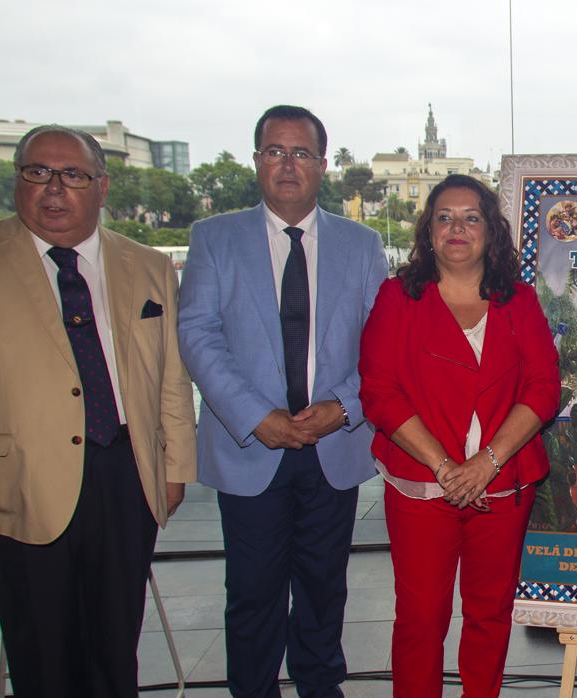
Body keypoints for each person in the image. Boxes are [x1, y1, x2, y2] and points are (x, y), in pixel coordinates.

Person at [0, 125, 196, 696]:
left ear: (101, 187)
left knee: (116, 646)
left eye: (72, 175)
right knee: (44, 653)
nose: (53, 188)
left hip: (126, 477)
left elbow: (171, 376)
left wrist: (176, 466)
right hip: (18, 485)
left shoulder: (148, 265)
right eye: (37, 172)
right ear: (18, 180)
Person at [178, 105, 386, 698]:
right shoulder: (214, 238)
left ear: (322, 164)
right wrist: (254, 416)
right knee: (252, 592)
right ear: (256, 162)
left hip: (334, 446)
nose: (287, 164)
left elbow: (381, 343)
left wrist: (345, 407)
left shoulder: (362, 244)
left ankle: (321, 686)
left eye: (300, 153)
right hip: (251, 448)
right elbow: (197, 334)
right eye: (275, 151)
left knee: (325, 587)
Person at [359, 173, 560, 697]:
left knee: (489, 616)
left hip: (504, 484)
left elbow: (543, 388)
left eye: (472, 217)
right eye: (444, 217)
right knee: (421, 620)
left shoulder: (519, 300)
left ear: (491, 232)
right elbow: (379, 393)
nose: (457, 228)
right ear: (428, 231)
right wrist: (446, 468)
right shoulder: (396, 299)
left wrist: (486, 462)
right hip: (422, 488)